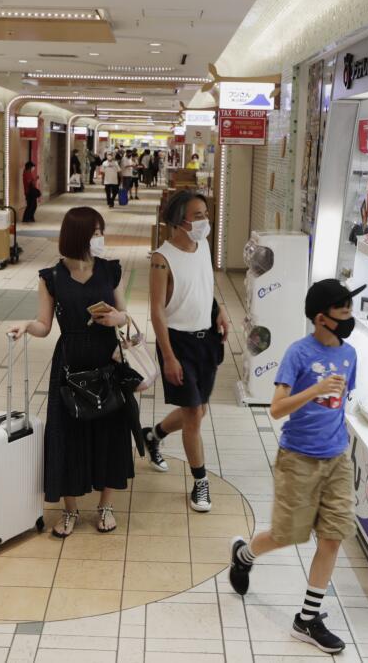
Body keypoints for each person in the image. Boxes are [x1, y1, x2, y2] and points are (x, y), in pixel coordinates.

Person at [228, 279, 362, 654]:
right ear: (321, 318)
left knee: (333, 536)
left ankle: (307, 618)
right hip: (298, 459)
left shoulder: (350, 354)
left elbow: (344, 401)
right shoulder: (298, 354)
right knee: (288, 535)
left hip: (337, 458)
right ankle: (244, 554)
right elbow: (276, 408)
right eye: (343, 312)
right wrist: (315, 391)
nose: (350, 317)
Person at [9, 207, 135, 537]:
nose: (99, 238)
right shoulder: (51, 277)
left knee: (110, 428)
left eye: (100, 231)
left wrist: (116, 319)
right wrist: (25, 326)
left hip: (107, 358)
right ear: (77, 236)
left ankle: (106, 504)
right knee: (66, 432)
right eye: (94, 232)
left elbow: (125, 316)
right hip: (70, 359)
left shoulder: (110, 270)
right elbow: (44, 324)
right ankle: (70, 509)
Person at [142, 190, 229, 512]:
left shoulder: (203, 245)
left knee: (199, 409)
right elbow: (156, 311)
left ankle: (154, 435)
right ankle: (200, 483)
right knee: (194, 415)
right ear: (179, 221)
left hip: (207, 340)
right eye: (198, 215)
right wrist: (168, 356)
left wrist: (217, 309)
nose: (205, 221)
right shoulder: (161, 259)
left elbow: (204, 283)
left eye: (206, 213)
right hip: (179, 343)